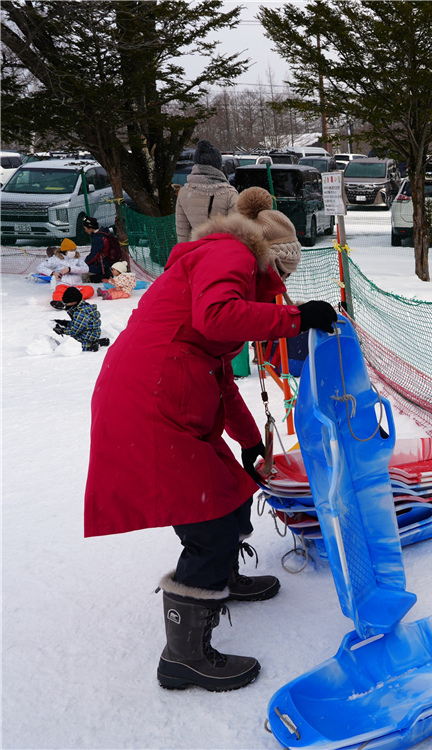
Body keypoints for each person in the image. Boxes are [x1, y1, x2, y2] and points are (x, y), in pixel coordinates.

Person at [83, 186, 338, 693]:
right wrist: (295, 318)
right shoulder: (231, 253)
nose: (283, 286)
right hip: (150, 400)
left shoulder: (227, 260)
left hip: (173, 388)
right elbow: (215, 318)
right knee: (208, 518)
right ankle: (184, 657)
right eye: (283, 275)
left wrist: (248, 440)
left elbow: (219, 371)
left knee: (228, 488)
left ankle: (221, 578)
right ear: (270, 257)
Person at [175, 139, 239, 244]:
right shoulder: (229, 193)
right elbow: (238, 229)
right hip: (222, 253)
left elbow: (182, 232)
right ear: (218, 165)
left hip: (197, 253)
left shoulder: (184, 192)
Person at [36, 239, 95, 304]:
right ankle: (61, 302)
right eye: (71, 250)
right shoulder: (55, 259)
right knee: (58, 294)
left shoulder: (77, 258)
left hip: (76, 286)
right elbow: (40, 267)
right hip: (63, 285)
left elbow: (86, 269)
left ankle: (72, 300)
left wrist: (70, 269)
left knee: (90, 290)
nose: (73, 252)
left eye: (74, 250)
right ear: (64, 251)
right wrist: (53, 273)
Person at [51, 286, 108, 351]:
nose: (66, 305)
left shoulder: (81, 313)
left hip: (88, 335)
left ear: (74, 302)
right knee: (71, 342)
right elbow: (78, 324)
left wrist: (62, 331)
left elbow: (74, 331)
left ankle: (93, 345)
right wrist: (65, 323)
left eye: (67, 303)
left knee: (74, 346)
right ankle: (95, 342)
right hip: (88, 331)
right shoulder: (81, 306)